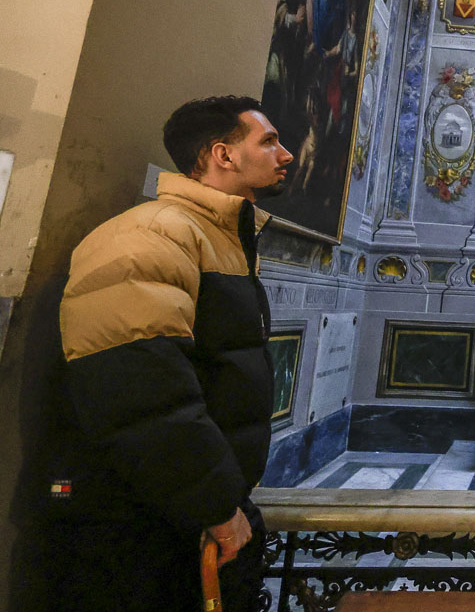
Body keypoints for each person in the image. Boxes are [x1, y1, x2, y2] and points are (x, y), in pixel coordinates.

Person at [40, 96, 293, 611]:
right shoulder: (151, 234)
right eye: (268, 141)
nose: (285, 153)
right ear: (223, 154)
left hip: (179, 515)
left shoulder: (214, 238)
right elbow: (141, 393)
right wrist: (216, 506)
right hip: (138, 526)